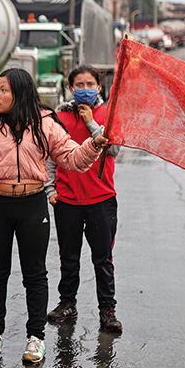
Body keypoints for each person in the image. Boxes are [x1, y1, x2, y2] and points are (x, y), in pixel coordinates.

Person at [0, 68, 107, 363]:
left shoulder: (45, 124)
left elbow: (73, 158)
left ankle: (35, 337)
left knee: (35, 274)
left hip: (32, 205)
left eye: (4, 90)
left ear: (20, 93)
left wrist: (94, 145)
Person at [43, 65, 123, 334]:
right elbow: (50, 156)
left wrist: (91, 122)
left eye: (91, 84)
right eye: (80, 85)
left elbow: (113, 150)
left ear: (99, 88)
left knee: (103, 259)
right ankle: (67, 304)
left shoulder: (108, 115)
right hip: (68, 200)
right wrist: (50, 190)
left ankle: (107, 310)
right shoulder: (60, 117)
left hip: (101, 199)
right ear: (70, 88)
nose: (86, 89)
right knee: (69, 257)